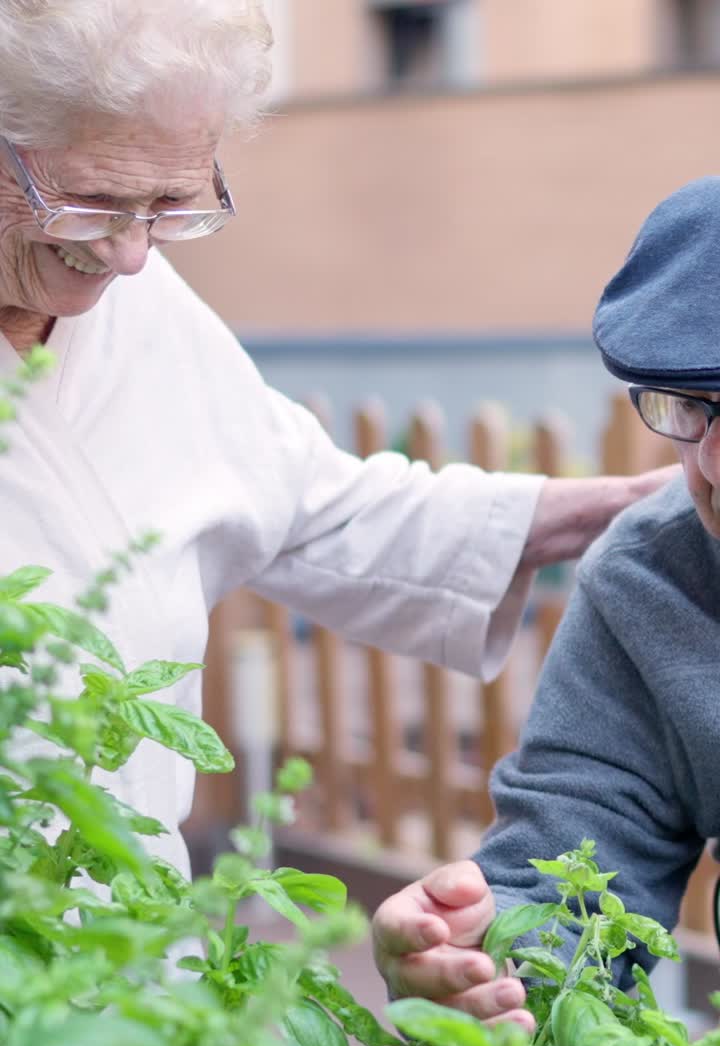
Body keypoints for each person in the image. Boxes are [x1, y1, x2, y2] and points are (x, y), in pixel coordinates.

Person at [0, 0, 670, 886]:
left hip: (126, 955)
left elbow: (316, 510)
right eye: (93, 204)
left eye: (170, 204)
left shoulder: (143, 308)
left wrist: (619, 509)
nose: (130, 254)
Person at [373, 175, 720, 1030]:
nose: (712, 470)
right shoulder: (653, 579)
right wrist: (486, 955)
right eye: (695, 410)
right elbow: (572, 865)